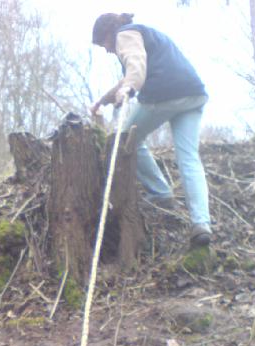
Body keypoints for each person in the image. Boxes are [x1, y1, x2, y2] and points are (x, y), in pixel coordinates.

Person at [91, 13, 211, 248]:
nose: (107, 50)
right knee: (189, 158)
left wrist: (129, 89)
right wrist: (103, 101)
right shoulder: (145, 33)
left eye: (103, 44)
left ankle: (160, 192)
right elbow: (132, 73)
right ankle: (201, 224)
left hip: (162, 95)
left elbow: (136, 66)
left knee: (123, 138)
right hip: (193, 95)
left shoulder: (124, 34)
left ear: (108, 33)